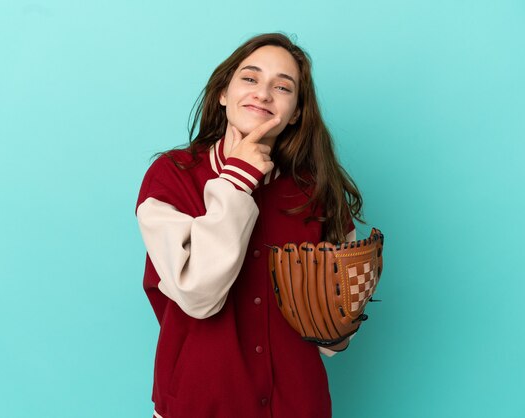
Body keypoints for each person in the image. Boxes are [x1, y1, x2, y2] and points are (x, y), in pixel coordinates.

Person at [136, 32, 364, 418]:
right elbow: (198, 296)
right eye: (250, 78)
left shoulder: (318, 190)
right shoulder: (170, 176)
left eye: (283, 86)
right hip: (198, 404)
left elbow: (334, 334)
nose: (263, 93)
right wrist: (238, 178)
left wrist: (339, 325)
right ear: (223, 93)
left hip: (297, 404)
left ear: (295, 113)